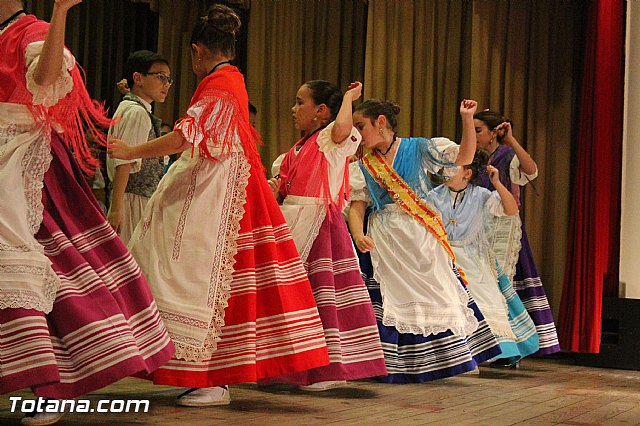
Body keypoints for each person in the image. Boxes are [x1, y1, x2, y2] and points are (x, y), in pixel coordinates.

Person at [107, 3, 329, 406]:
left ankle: (210, 374)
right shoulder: (229, 81)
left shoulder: (221, 85)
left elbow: (183, 138)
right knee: (194, 272)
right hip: (218, 181)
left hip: (214, 189)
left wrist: (130, 149)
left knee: (189, 270)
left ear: (196, 50)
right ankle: (201, 370)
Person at [0, 1, 174, 424]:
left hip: (25, 161)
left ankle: (50, 385)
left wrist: (60, 14)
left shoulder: (31, 29)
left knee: (37, 264)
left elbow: (46, 80)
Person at [348, 99, 501, 383]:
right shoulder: (363, 165)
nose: (357, 134)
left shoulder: (418, 148)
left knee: (437, 292)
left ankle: (444, 361)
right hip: (385, 239)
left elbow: (463, 158)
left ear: (381, 122)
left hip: (419, 234)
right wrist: (358, 234)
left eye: (361, 126)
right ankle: (393, 365)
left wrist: (466, 119)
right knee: (391, 300)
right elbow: (357, 207)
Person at [267, 81, 387, 391]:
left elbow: (342, 129)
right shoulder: (295, 150)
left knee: (322, 297)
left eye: (300, 102)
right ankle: (290, 364)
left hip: (320, 223)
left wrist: (348, 98)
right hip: (293, 221)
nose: (294, 109)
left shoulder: (329, 140)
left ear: (321, 111)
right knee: (291, 296)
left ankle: (323, 368)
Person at [428, 149, 539, 366]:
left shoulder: (480, 195)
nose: (446, 170)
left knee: (484, 296)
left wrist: (497, 183)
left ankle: (490, 350)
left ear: (467, 173)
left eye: (453, 166)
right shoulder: (434, 195)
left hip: (472, 255)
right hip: (442, 254)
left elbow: (510, 209)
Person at [473, 110, 560, 356]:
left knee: (503, 282)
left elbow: (531, 171)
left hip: (503, 225)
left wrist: (511, 139)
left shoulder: (507, 155)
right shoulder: (474, 156)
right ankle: (487, 345)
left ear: (493, 134)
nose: (474, 135)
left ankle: (511, 346)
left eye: (478, 130)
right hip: (477, 224)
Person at [107, 50, 171, 244]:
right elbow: (124, 162)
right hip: (133, 200)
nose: (166, 84)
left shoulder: (133, 107)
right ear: (138, 78)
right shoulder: (136, 113)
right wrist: (117, 208)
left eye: (168, 79)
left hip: (134, 197)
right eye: (160, 77)